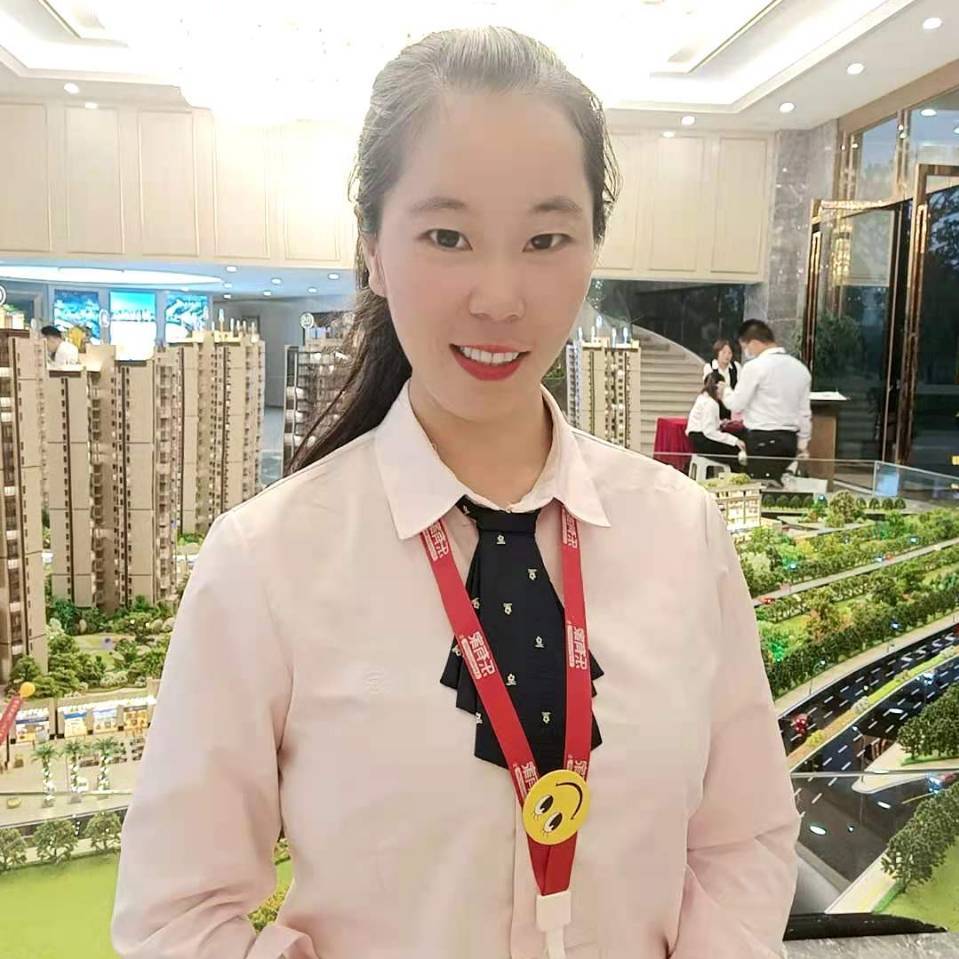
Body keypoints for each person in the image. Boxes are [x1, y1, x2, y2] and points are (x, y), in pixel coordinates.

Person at [112, 27, 798, 959]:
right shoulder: (267, 561)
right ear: (373, 248)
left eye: (545, 239)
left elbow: (742, 837)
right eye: (447, 235)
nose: (499, 296)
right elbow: (175, 910)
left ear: (592, 248)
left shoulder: (681, 531)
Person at [720, 319, 812, 484]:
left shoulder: (755, 367)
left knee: (761, 488)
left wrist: (725, 391)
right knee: (782, 489)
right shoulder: (800, 369)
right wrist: (803, 444)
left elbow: (736, 404)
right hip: (789, 441)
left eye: (745, 347)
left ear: (754, 343)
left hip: (762, 439)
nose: (747, 352)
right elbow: (804, 413)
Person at [686, 371, 746, 469]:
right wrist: (735, 441)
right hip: (703, 441)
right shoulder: (711, 403)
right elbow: (709, 432)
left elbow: (705, 422)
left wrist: (720, 423)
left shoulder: (703, 398)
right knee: (736, 450)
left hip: (697, 439)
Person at [702, 339, 741, 420]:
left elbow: (740, 386)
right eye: (724, 352)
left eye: (730, 353)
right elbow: (708, 387)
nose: (727, 355)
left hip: (731, 406)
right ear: (717, 353)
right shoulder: (709, 367)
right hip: (715, 405)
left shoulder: (736, 367)